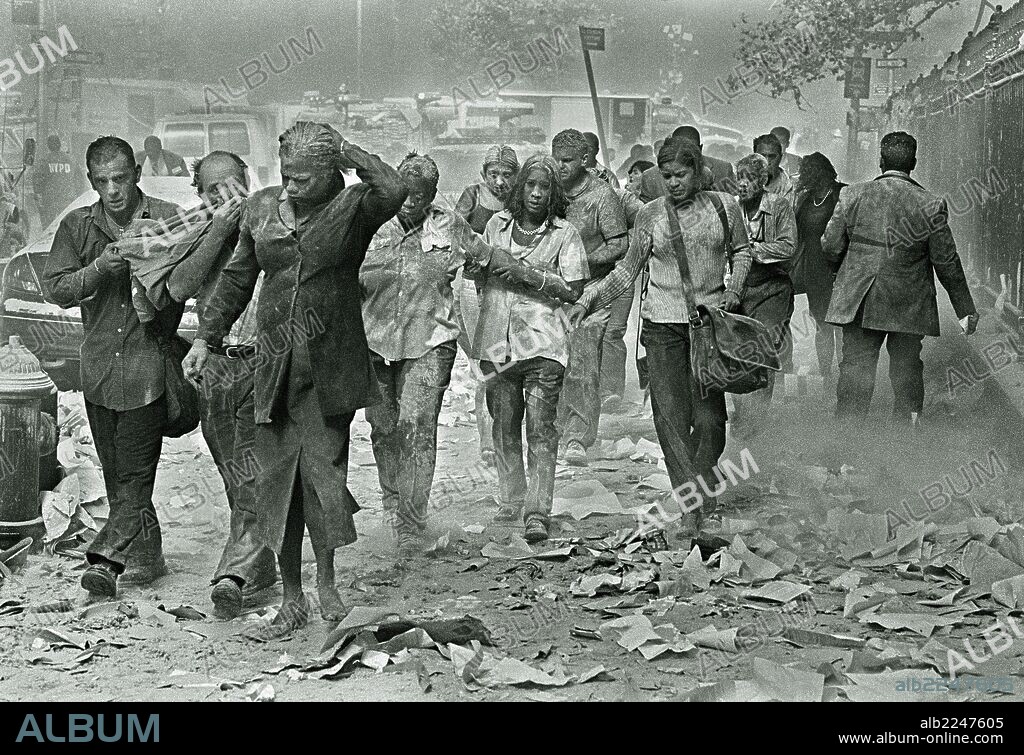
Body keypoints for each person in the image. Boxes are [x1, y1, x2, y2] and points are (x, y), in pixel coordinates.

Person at [183, 122, 407, 633]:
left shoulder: (354, 207)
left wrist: (346, 148)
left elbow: (394, 188)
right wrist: (205, 338)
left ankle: (327, 586)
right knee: (276, 485)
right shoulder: (261, 207)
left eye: (304, 179)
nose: (290, 188)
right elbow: (240, 278)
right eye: (286, 175)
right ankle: (292, 598)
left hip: (329, 371)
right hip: (275, 369)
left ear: (332, 175)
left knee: (323, 481)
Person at [361, 152, 555, 556]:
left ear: (433, 195)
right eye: (404, 194)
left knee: (417, 427)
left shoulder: (450, 225)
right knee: (384, 429)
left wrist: (544, 282)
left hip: (430, 342)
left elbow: (490, 258)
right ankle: (391, 505)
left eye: (421, 195)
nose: (410, 203)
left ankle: (411, 523)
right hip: (373, 344)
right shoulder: (368, 224)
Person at [568, 139, 752, 535]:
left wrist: (733, 290)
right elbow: (626, 271)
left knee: (710, 420)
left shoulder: (724, 207)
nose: (673, 183)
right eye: (666, 176)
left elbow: (743, 252)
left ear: (698, 171)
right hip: (662, 328)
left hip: (708, 326)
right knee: (669, 418)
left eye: (680, 175)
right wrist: (589, 298)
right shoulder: (650, 216)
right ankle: (691, 501)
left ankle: (702, 484)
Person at [42, 136, 185, 597]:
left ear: (137, 174)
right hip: (100, 366)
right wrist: (101, 267)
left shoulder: (166, 218)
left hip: (149, 362)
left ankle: (107, 561)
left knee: (136, 472)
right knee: (113, 470)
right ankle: (149, 553)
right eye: (102, 181)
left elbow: (196, 277)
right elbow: (57, 290)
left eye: (120, 178)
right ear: (91, 181)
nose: (113, 190)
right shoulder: (78, 226)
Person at [150, 151, 277, 619]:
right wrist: (219, 227)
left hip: (269, 362)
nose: (227, 197)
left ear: (249, 180)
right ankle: (259, 561)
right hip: (219, 367)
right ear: (200, 196)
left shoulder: (272, 215)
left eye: (233, 185)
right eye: (212, 190)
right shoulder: (200, 230)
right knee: (235, 473)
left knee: (256, 471)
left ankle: (235, 572)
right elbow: (179, 288)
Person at [822, 131, 978, 426]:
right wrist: (965, 310)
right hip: (908, 304)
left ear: (880, 161)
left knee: (855, 370)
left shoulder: (851, 195)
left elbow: (830, 246)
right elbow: (947, 262)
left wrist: (848, 268)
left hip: (859, 300)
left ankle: (845, 442)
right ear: (914, 163)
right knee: (906, 369)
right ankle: (905, 436)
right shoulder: (931, 204)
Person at [471, 153, 589, 542]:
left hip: (542, 343)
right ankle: (512, 497)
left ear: (554, 194)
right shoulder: (495, 225)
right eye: (530, 186)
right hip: (497, 341)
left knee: (540, 429)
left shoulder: (564, 234)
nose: (536, 194)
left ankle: (537, 511)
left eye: (545, 187)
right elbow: (479, 272)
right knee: (504, 425)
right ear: (519, 189)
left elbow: (573, 288)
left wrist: (528, 275)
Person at [550, 129, 628, 466]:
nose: (560, 166)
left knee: (582, 362)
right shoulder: (549, 191)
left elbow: (619, 244)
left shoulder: (601, 196)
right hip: (552, 290)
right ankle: (549, 429)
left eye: (567, 161)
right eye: (557, 159)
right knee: (549, 362)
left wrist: (579, 258)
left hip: (592, 291)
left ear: (584, 161)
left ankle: (577, 437)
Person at [454, 145, 519, 467]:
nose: (500, 181)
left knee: (509, 361)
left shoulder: (522, 199)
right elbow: (454, 231)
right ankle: (487, 440)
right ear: (484, 175)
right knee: (485, 363)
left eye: (507, 175)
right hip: (473, 286)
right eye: (494, 174)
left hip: (509, 286)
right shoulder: (473, 195)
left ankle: (506, 435)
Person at [730, 153, 796, 439]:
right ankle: (743, 413)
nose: (742, 185)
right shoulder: (732, 208)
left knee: (763, 351)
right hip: (739, 289)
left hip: (772, 288)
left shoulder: (779, 206)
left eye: (749, 179)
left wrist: (752, 251)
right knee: (735, 353)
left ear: (763, 181)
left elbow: (789, 246)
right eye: (739, 178)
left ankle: (757, 418)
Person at [791, 152, 845, 380]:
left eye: (807, 172)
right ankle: (826, 376)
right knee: (821, 323)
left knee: (842, 324)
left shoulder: (843, 193)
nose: (803, 176)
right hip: (813, 267)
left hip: (838, 269)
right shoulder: (805, 198)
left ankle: (845, 375)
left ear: (820, 173)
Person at [639, 126, 736, 201]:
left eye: (692, 150)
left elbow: (731, 208)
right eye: (667, 176)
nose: (673, 183)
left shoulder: (723, 169)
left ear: (700, 149)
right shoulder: (649, 177)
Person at [33, 135, 82, 229]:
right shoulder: (71, 160)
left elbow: (38, 179)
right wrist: (77, 196)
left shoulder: (44, 160)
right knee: (68, 228)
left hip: (49, 200)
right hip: (68, 200)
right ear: (59, 144)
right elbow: (79, 180)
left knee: (49, 229)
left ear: (48, 146)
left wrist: (38, 195)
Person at [753, 133, 795, 206]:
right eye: (762, 156)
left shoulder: (794, 188)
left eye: (772, 156)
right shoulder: (742, 185)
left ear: (780, 158)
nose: (767, 162)